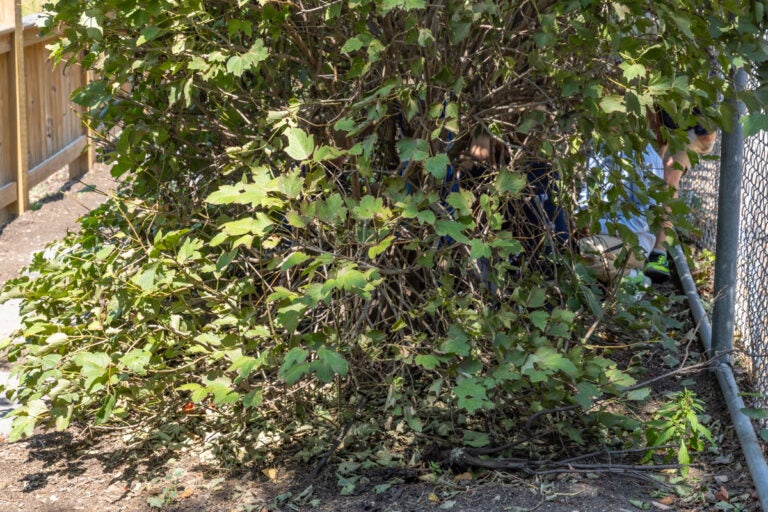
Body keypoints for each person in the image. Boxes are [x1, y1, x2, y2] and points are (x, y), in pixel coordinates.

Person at [644, 108, 718, 282]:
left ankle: (658, 254)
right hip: (666, 120)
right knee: (651, 168)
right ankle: (642, 238)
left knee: (668, 176)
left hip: (698, 127)